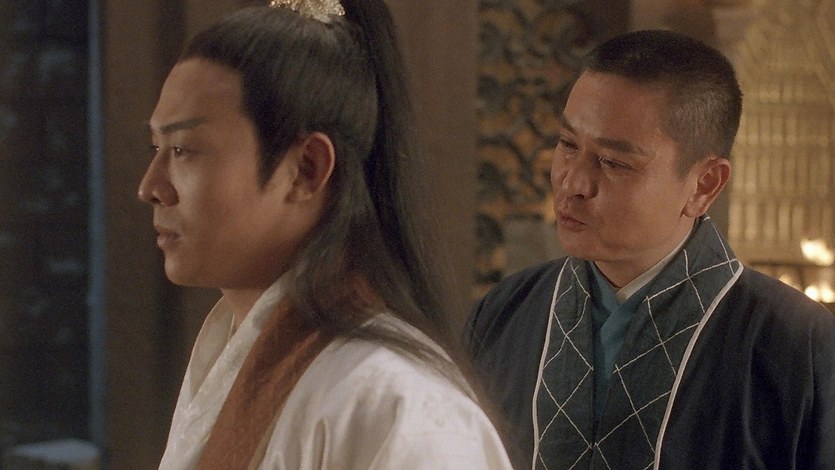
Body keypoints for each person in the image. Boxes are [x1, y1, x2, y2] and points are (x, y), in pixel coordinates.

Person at [138, 1, 513, 468]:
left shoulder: (398, 407)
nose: (150, 187)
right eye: (156, 147)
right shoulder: (235, 358)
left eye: (183, 149)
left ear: (306, 169)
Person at [465, 29, 835, 469]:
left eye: (613, 162)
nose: (573, 182)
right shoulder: (505, 314)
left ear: (704, 184)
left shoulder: (798, 347)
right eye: (567, 145)